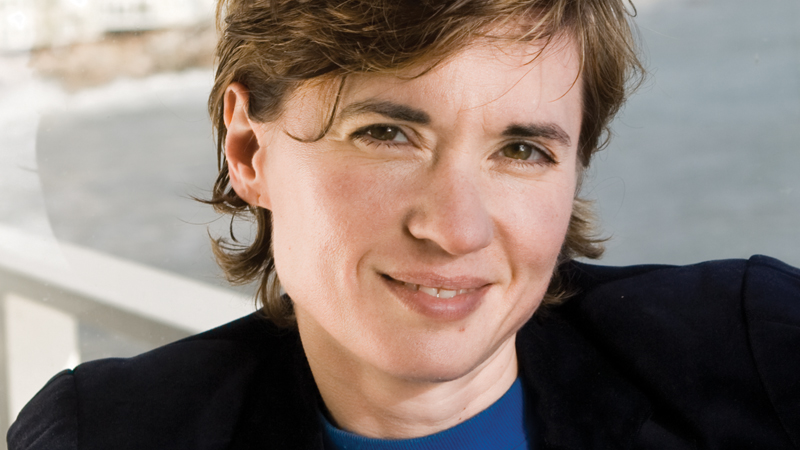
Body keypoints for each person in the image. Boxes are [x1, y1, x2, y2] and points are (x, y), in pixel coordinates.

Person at [8, 0, 800, 448]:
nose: (455, 229)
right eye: (386, 134)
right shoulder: (103, 434)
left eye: (521, 150)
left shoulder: (755, 349)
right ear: (248, 149)